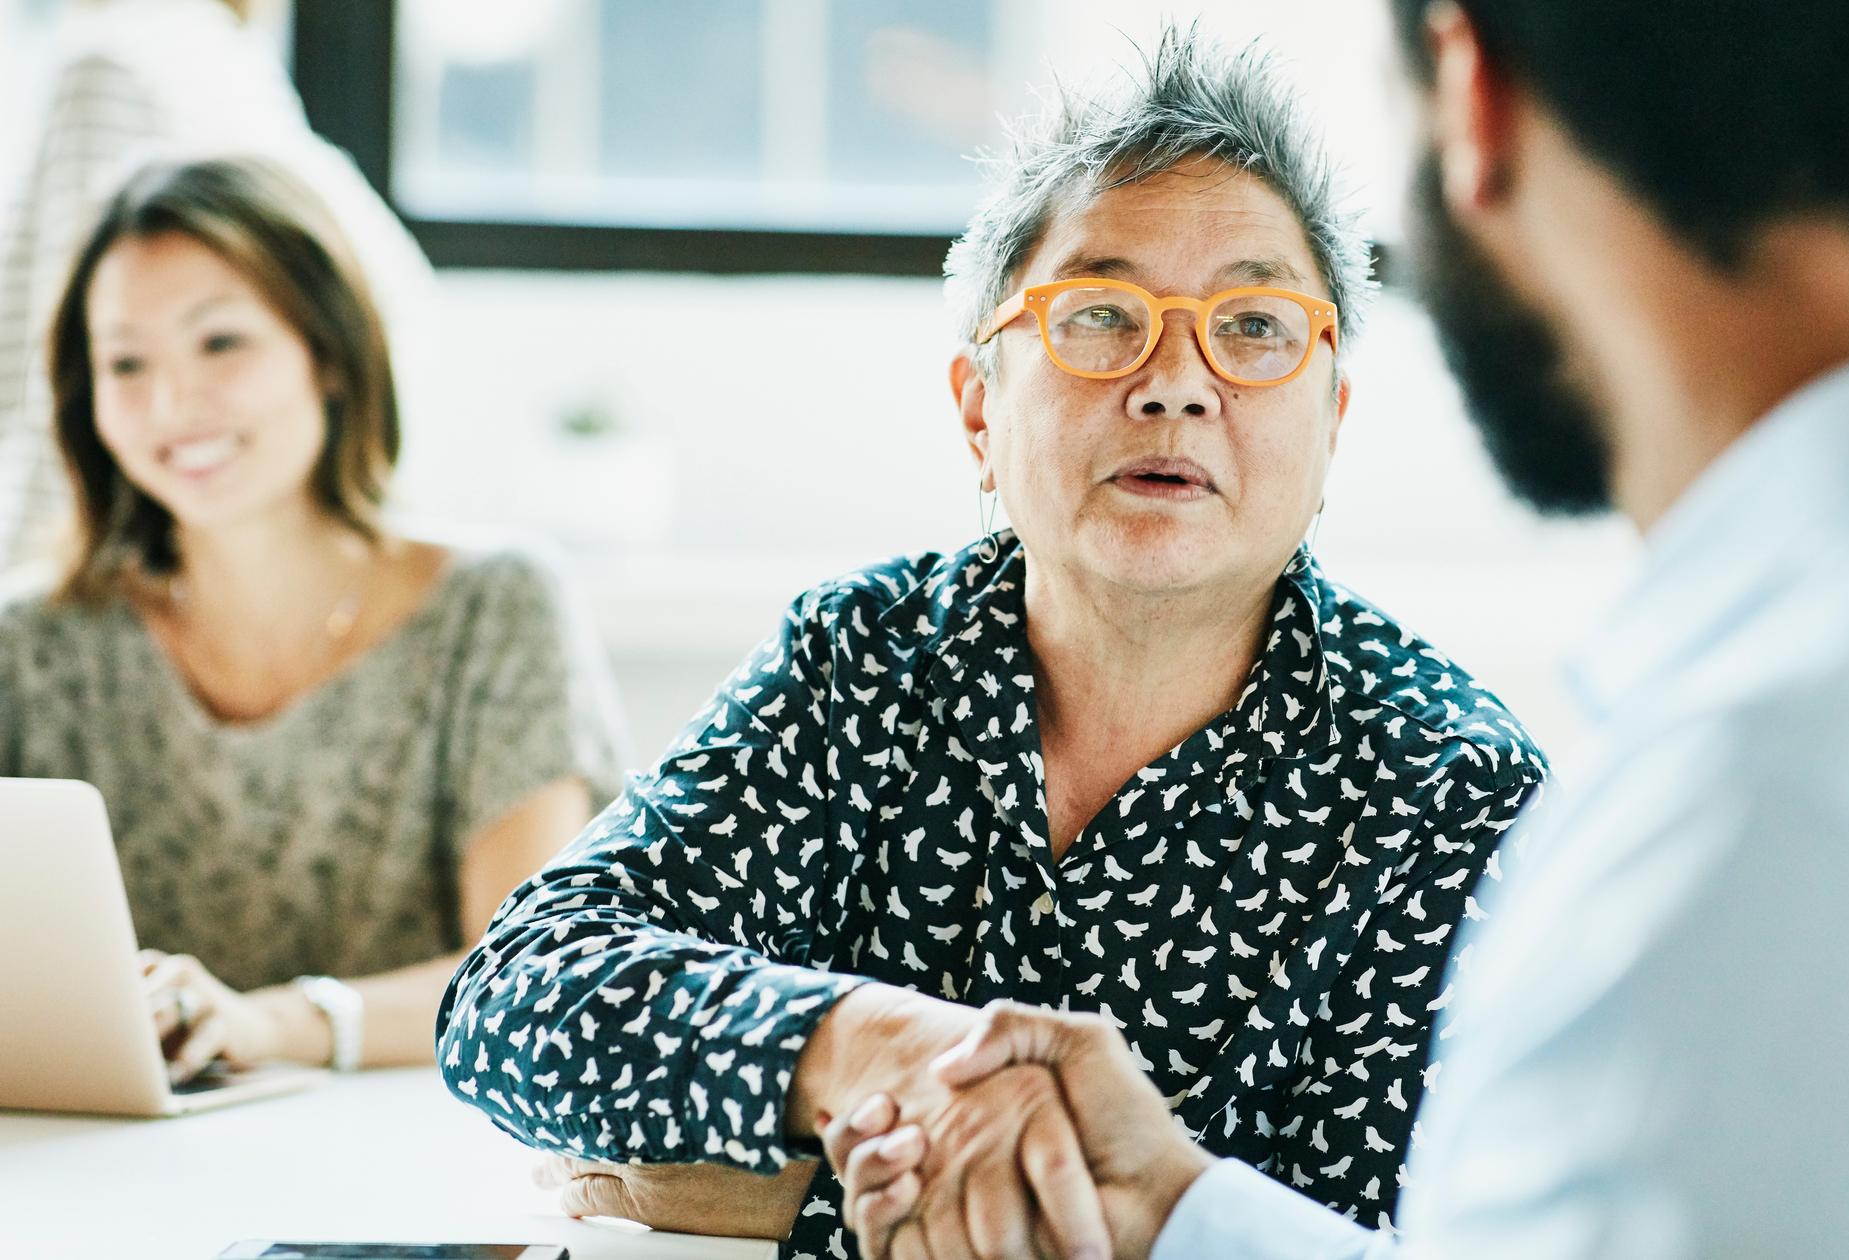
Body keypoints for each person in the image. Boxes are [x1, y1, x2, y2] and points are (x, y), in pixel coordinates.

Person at [830, 0, 1849, 1257]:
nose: (1180, 383)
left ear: (1471, 95)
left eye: (1258, 324)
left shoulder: (1754, 825)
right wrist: (1181, 1209)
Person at [434, 29, 1547, 1260]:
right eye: (1099, 315)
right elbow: (518, 992)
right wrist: (870, 1048)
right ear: (979, 409)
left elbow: (1392, 1236)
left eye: (1252, 326)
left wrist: (812, 1207)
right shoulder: (861, 658)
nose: (1175, 382)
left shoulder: (1454, 790)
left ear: (1329, 422)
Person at [0, 156, 624, 1083]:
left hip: (422, 1158)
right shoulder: (33, 643)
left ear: (327, 353)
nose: (172, 403)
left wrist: (274, 1024)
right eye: (126, 363)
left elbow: (532, 975)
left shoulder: (496, 607)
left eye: (220, 344)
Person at [0, 0, 435, 569]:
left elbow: (49, 385)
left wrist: (40, 599)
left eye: (222, 343)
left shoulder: (114, 67)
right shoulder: (245, 79)